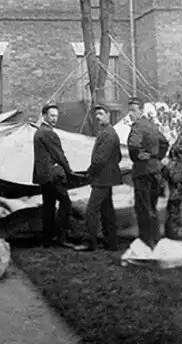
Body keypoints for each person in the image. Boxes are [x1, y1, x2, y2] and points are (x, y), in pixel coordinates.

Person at [127, 96, 169, 248]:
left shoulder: (138, 126)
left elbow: (133, 145)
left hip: (142, 171)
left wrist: (137, 156)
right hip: (155, 171)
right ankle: (155, 239)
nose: (130, 114)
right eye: (129, 110)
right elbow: (164, 143)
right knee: (152, 206)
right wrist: (156, 157)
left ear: (141, 111)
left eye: (133, 110)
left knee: (142, 208)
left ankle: (146, 242)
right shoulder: (152, 125)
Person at [79, 102, 122, 251]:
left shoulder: (108, 134)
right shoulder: (107, 132)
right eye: (96, 114)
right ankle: (111, 243)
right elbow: (118, 157)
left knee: (92, 210)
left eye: (101, 114)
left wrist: (90, 172)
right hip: (106, 178)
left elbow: (100, 159)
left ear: (108, 115)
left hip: (102, 179)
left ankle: (89, 242)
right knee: (107, 210)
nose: (98, 117)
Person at [32, 103, 75, 248]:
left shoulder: (40, 131)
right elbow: (59, 155)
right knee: (66, 204)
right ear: (44, 116)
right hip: (53, 176)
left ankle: (47, 238)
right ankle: (61, 236)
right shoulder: (48, 133)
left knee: (49, 206)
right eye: (51, 116)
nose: (54, 119)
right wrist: (68, 170)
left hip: (44, 176)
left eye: (56, 116)